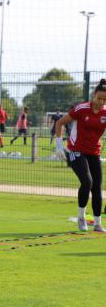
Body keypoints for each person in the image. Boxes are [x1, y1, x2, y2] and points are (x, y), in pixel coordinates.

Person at [55, 79, 106, 232]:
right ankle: (81, 217)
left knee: (97, 187)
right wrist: (59, 146)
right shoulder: (81, 109)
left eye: (105, 99)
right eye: (99, 98)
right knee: (87, 182)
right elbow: (60, 123)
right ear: (93, 95)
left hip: (94, 152)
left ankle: (97, 223)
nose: (101, 102)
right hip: (76, 151)